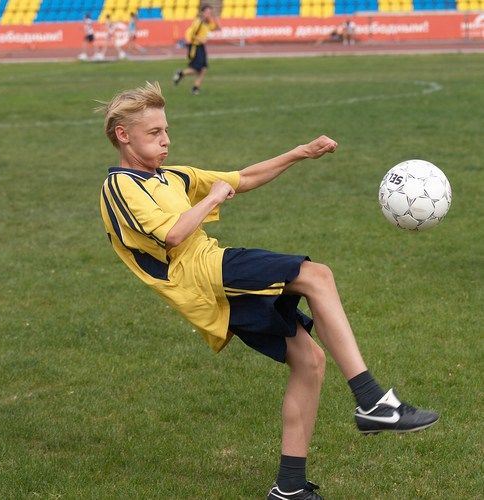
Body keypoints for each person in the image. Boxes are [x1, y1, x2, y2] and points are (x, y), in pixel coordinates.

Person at [98, 82, 439, 500]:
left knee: (310, 360)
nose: (166, 140)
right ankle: (372, 401)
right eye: (154, 133)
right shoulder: (120, 187)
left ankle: (289, 488)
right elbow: (172, 234)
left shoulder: (173, 176)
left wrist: (300, 153)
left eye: (166, 130)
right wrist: (210, 199)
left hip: (214, 282)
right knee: (317, 276)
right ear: (123, 135)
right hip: (201, 275)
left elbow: (243, 178)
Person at [172, 4, 221, 95]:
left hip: (201, 47)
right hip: (195, 47)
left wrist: (215, 17)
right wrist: (200, 39)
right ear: (202, 13)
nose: (209, 14)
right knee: (197, 69)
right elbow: (192, 35)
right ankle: (181, 74)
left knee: (203, 69)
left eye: (210, 13)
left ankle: (195, 87)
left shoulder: (207, 23)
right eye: (207, 12)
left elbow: (218, 28)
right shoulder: (198, 22)